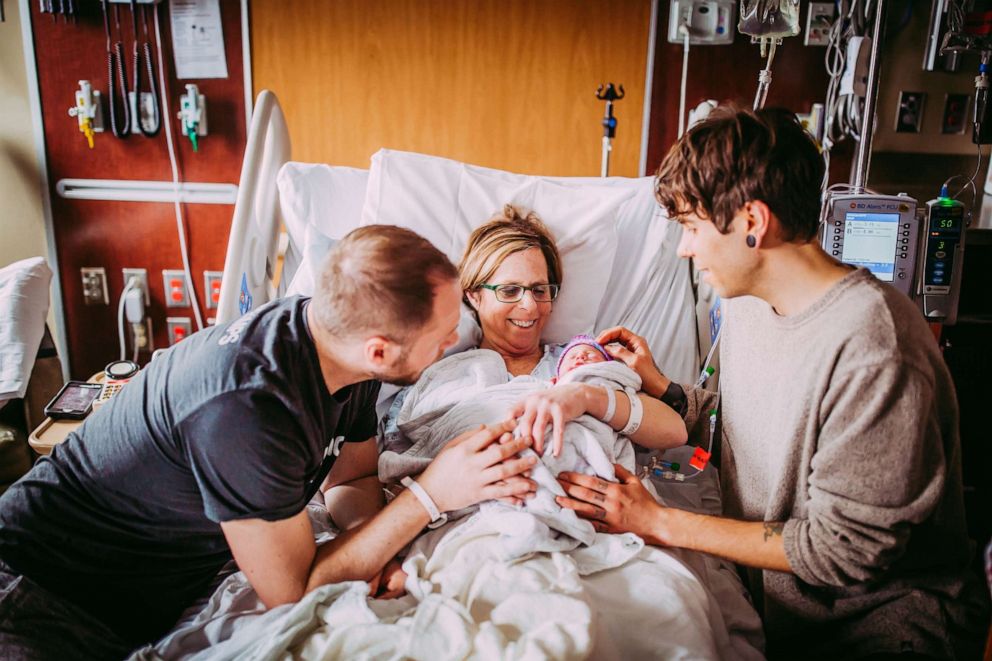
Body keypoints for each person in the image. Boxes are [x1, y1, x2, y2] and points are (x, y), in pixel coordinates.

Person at [556, 105, 990, 659]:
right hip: (785, 613)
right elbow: (745, 423)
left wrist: (658, 521)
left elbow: (842, 552)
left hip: (880, 627)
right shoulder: (751, 304)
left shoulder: (875, 350)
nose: (685, 248)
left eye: (691, 228)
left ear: (752, 223)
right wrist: (665, 390)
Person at [0, 225, 537, 659]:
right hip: (42, 598)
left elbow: (351, 477)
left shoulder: (341, 350)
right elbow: (293, 591)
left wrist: (373, 547)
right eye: (441, 336)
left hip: (136, 601)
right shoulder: (248, 410)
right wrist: (432, 493)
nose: (452, 344)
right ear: (379, 350)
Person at [458, 204, 687, 457]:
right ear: (474, 296)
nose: (530, 305)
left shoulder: (583, 361)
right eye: (510, 291)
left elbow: (674, 430)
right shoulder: (447, 376)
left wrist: (586, 397)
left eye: (539, 290)